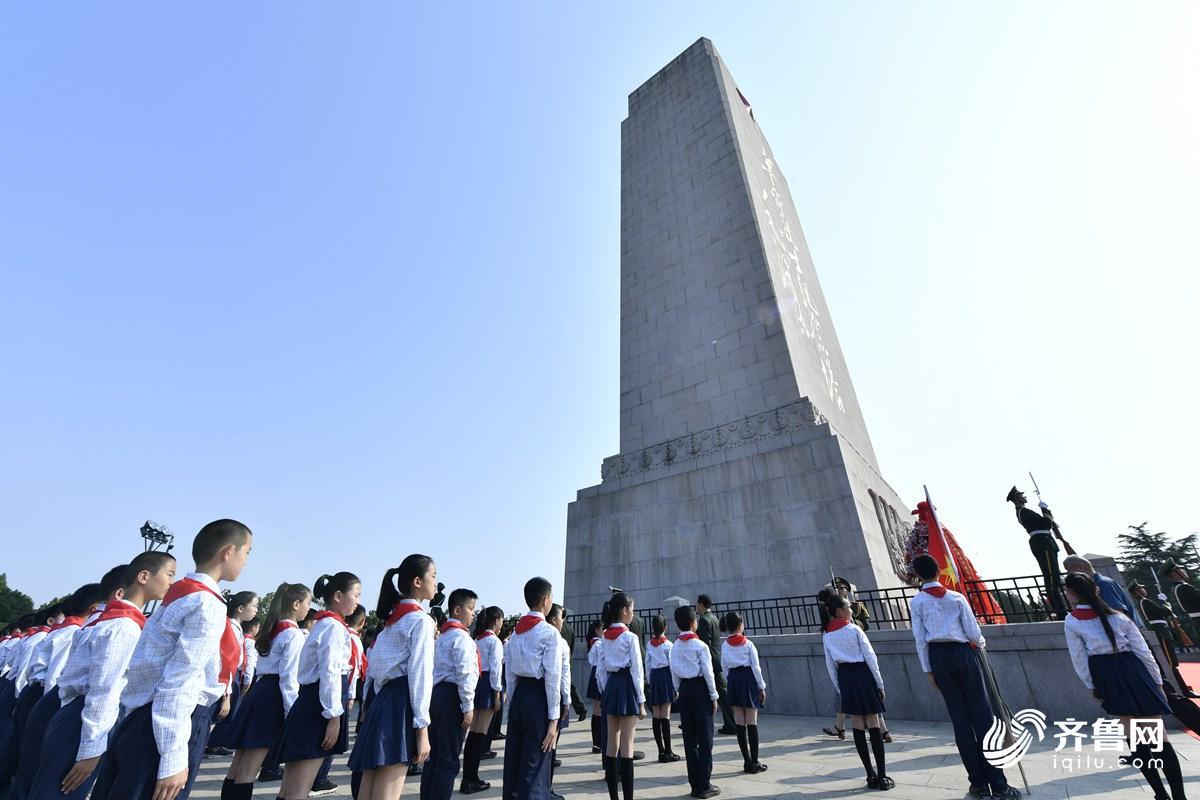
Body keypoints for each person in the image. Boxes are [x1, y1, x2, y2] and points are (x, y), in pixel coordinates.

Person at [91, 519, 253, 800]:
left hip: (144, 716)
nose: (246, 561)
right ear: (228, 552)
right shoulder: (207, 604)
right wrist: (173, 756)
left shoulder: (182, 594)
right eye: (246, 552)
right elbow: (180, 680)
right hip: (172, 721)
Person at [31, 551, 178, 800]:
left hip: (79, 715)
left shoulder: (111, 620)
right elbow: (104, 689)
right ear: (143, 577)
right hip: (86, 720)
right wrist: (91, 748)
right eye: (170, 574)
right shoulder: (124, 627)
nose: (172, 583)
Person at [1063, 572, 1186, 800]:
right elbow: (1143, 651)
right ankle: (1179, 796)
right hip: (1133, 669)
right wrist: (1157, 681)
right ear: (1096, 589)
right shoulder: (1119, 616)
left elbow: (1079, 658)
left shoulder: (1072, 621)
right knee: (1157, 737)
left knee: (1135, 738)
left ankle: (1160, 794)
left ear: (1071, 593)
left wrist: (1092, 685)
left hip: (1106, 674)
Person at [910, 554, 1018, 799]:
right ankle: (999, 784)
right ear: (939, 571)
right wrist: (980, 646)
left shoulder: (917, 602)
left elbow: (919, 639)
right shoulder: (956, 598)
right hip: (964, 654)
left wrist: (928, 670)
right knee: (983, 718)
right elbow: (973, 632)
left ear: (917, 575)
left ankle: (978, 784)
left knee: (961, 722)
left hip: (938, 657)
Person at [350, 556, 436, 800]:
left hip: (382, 700)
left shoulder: (392, 620)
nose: (435, 583)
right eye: (433, 576)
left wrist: (368, 703)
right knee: (387, 792)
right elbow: (420, 674)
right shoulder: (421, 620)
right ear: (417, 582)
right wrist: (422, 729)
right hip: (401, 704)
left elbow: (374, 668)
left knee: (368, 788)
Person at [11, 581, 105, 800]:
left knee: (29, 766)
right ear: (93, 608)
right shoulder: (72, 632)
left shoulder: (68, 631)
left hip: (38, 694)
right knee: (38, 769)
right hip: (50, 696)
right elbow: (54, 675)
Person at [221, 582, 312, 800]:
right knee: (249, 768)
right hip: (272, 697)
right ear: (296, 604)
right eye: (308, 603)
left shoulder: (272, 629)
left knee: (238, 764)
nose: (309, 609)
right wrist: (291, 713)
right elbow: (289, 679)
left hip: (259, 691)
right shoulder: (293, 634)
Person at [277, 571, 361, 800]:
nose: (357, 601)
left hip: (312, 702)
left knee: (290, 786)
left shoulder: (324, 624)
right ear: (338, 596)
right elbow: (330, 672)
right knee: (298, 788)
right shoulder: (333, 627)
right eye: (355, 595)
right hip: (319, 708)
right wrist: (333, 716)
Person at [500, 576, 562, 800]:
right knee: (535, 764)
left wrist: (512, 704)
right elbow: (553, 677)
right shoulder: (549, 633)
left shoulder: (516, 633)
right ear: (545, 600)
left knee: (514, 762)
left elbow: (510, 674)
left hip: (519, 695)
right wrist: (554, 720)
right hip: (538, 696)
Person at [822, 595, 890, 790]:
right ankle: (883, 776)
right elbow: (870, 656)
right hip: (863, 673)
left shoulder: (827, 635)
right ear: (839, 611)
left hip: (845, 677)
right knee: (873, 722)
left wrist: (839, 687)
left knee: (858, 725)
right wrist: (879, 683)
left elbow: (830, 665)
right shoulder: (854, 630)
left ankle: (870, 775)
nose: (851, 610)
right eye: (848, 607)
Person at [421, 586, 479, 800]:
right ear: (457, 610)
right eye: (470, 609)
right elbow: (465, 674)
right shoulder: (462, 638)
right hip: (453, 697)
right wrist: (468, 706)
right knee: (448, 760)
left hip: (437, 696)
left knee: (433, 757)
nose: (473, 614)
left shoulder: (441, 637)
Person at [669, 606, 718, 800]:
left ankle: (694, 784)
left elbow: (673, 670)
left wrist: (677, 690)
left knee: (689, 739)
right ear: (693, 623)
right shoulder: (700, 646)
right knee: (705, 738)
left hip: (684, 690)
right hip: (700, 689)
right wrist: (713, 696)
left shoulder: (675, 646)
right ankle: (704, 784)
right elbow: (708, 672)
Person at [207, 590, 261, 756]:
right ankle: (212, 744)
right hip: (227, 677)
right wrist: (227, 694)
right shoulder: (230, 628)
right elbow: (228, 661)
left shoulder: (236, 629)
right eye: (254, 606)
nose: (256, 610)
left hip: (231, 677)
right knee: (219, 714)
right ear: (240, 608)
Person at [1006, 487, 1067, 619]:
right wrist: (1044, 510)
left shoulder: (1025, 511)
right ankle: (1060, 611)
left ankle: (1061, 609)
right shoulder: (1023, 511)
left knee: (1054, 577)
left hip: (1045, 541)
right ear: (1016, 498)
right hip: (1042, 542)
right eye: (1021, 495)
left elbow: (1046, 524)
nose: (1024, 496)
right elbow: (1046, 523)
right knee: (1051, 578)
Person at [462, 605, 504, 794]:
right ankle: (471, 779)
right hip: (487, 685)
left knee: (474, 733)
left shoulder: (476, 639)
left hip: (476, 683)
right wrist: (497, 695)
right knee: (480, 733)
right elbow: (496, 669)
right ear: (496, 621)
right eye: (501, 619)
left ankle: (468, 778)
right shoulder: (494, 641)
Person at [1131, 581, 1198, 698]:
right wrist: (1166, 604)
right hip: (1160, 632)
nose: (1144, 590)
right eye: (1141, 588)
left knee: (1173, 663)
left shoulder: (1145, 601)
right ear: (1137, 591)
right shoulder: (1144, 602)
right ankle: (1183, 690)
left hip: (1163, 630)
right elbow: (1163, 612)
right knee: (1170, 663)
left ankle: (1183, 689)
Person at [720, 612, 766, 774]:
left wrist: (731, 680)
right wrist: (761, 686)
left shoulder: (725, 645)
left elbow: (724, 667)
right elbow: (756, 667)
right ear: (741, 625)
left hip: (733, 680)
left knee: (740, 722)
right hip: (748, 679)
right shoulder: (748, 644)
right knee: (752, 722)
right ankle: (755, 761)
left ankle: (746, 761)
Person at [695, 595, 735, 735]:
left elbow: (704, 645)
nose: (696, 606)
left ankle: (732, 724)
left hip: (710, 661)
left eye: (697, 604)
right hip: (716, 659)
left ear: (701, 605)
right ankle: (729, 723)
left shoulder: (704, 620)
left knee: (721, 694)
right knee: (721, 693)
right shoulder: (714, 618)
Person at [545, 604, 571, 800]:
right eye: (562, 617)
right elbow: (562, 674)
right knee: (550, 745)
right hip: (555, 696)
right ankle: (546, 788)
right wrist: (566, 700)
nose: (563, 621)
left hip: (533, 696)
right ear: (554, 620)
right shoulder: (558, 640)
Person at [644, 614, 678, 763]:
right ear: (665, 627)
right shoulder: (668, 645)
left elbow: (647, 664)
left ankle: (660, 751)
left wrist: (650, 681)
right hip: (666, 676)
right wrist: (675, 686)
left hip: (655, 677)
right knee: (666, 715)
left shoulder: (649, 644)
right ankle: (668, 751)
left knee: (656, 715)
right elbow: (672, 666)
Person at [1062, 556, 1132, 615]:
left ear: (1080, 567)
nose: (1068, 574)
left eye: (1069, 570)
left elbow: (1118, 613)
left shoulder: (1102, 584)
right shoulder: (1102, 582)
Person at [1160, 559, 1200, 640]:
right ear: (1174, 573)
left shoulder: (1178, 587)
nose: (1184, 570)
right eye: (1180, 569)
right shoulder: (1183, 587)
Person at [560, 610, 588, 722]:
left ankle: (580, 708)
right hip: (567, 660)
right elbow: (572, 646)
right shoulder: (570, 628)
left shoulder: (556, 628)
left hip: (559, 661)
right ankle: (581, 708)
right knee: (569, 686)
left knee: (568, 687)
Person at [585, 620, 604, 755]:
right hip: (599, 673)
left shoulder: (594, 643)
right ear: (597, 630)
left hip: (595, 673)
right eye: (603, 628)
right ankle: (599, 742)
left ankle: (596, 743)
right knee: (599, 710)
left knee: (597, 710)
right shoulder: (599, 644)